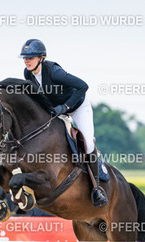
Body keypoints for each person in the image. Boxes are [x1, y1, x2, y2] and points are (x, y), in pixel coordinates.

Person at [20, 38, 108, 207]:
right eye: (25, 58)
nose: (26, 61)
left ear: (41, 58)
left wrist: (66, 106)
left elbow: (83, 86)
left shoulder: (54, 72)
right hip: (57, 109)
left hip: (77, 107)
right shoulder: (28, 73)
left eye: (30, 57)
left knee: (88, 144)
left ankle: (97, 188)